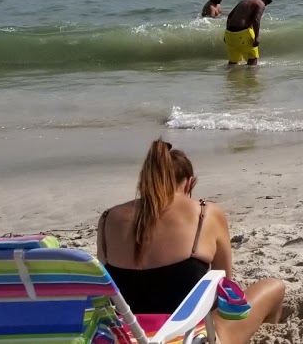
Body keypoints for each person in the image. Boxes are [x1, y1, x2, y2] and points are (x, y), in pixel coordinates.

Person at [97, 141, 285, 344]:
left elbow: (109, 293)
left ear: (144, 181)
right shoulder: (206, 213)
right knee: (274, 287)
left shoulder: (108, 219)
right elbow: (224, 286)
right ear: (188, 183)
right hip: (184, 337)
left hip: (125, 337)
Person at [223, 0, 270, 66]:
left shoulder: (244, 1)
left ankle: (231, 76)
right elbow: (256, 20)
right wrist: (256, 37)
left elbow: (230, 16)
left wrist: (226, 34)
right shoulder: (260, 3)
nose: (265, 6)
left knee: (233, 62)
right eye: (266, 4)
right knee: (253, 59)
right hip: (242, 33)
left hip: (229, 33)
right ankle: (250, 77)